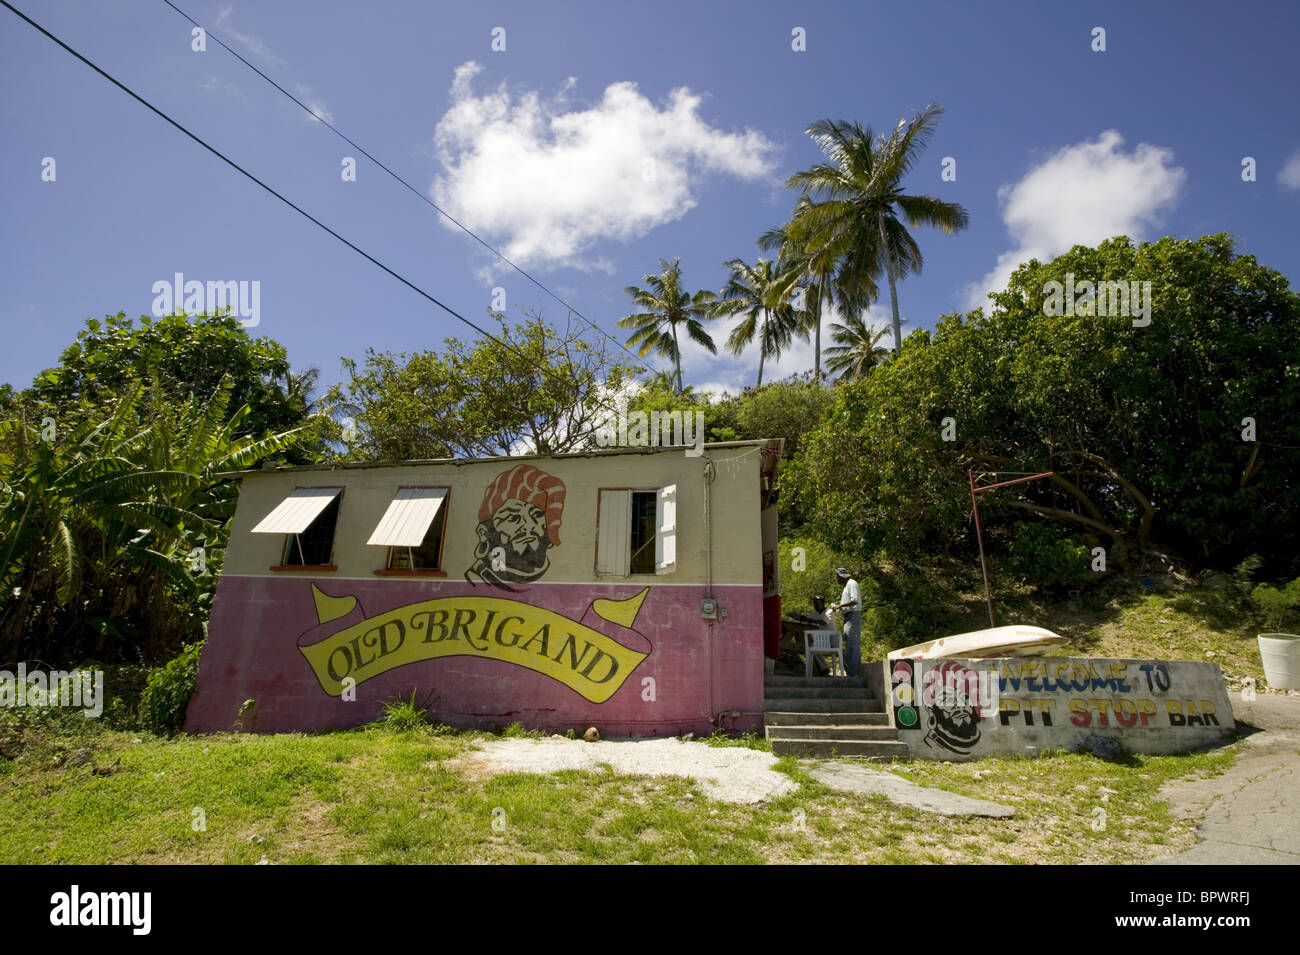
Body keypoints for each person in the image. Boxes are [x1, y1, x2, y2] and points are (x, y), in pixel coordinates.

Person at [828, 568, 862, 678]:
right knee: (850, 644)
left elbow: (854, 600)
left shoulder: (851, 583)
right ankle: (854, 671)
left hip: (853, 616)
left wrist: (839, 606)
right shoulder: (847, 586)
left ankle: (853, 673)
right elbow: (849, 604)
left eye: (837, 577)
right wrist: (838, 608)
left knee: (852, 645)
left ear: (842, 576)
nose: (836, 579)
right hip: (848, 616)